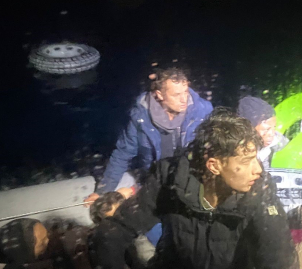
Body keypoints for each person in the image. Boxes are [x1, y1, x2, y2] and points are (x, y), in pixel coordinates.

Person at [80, 108, 298, 269]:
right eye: (247, 161)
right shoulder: (169, 179)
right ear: (214, 165)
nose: (258, 170)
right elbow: (112, 232)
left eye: (256, 159)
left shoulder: (259, 192)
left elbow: (280, 262)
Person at [84, 67, 213, 205]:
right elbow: (123, 153)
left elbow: (212, 147)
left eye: (185, 92)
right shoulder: (140, 117)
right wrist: (102, 191)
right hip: (155, 179)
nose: (184, 99)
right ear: (160, 94)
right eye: (176, 95)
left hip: (190, 178)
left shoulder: (202, 110)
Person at [237, 96, 288, 168]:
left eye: (274, 127)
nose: (272, 134)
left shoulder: (279, 143)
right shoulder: (237, 150)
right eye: (266, 130)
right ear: (250, 129)